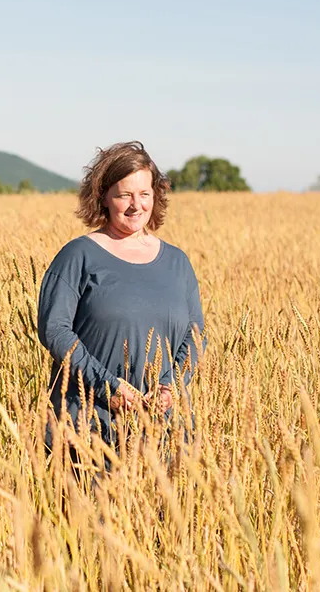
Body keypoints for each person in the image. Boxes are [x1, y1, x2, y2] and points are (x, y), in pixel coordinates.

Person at [37, 141, 205, 456]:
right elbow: (54, 329)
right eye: (124, 194)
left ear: (156, 196)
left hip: (162, 432)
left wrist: (171, 386)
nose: (135, 205)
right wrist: (106, 387)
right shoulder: (78, 255)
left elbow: (196, 333)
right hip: (87, 429)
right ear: (103, 197)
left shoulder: (177, 262)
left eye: (144, 194)